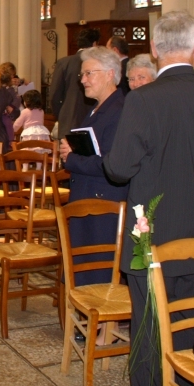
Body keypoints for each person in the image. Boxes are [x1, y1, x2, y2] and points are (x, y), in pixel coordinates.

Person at [103, 11, 194, 386]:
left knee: (149, 326)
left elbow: (119, 168)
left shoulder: (143, 100)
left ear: (154, 50)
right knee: (191, 318)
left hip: (151, 236)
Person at [58, 47, 128, 285]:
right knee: (85, 269)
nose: (83, 80)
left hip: (103, 203)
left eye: (89, 74)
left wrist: (72, 158)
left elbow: (112, 163)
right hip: (89, 197)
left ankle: (102, 320)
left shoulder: (119, 111)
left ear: (110, 74)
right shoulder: (97, 108)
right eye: (82, 75)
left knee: (99, 271)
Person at [49, 28, 100, 139]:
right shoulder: (98, 64)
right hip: (93, 122)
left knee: (67, 155)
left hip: (69, 121)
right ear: (94, 44)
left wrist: (62, 115)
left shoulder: (64, 63)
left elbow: (54, 96)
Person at [0, 62, 22, 147]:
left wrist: (11, 106)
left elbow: (17, 99)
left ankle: (10, 142)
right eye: (12, 75)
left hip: (6, 114)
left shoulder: (10, 87)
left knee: (8, 123)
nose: (13, 77)